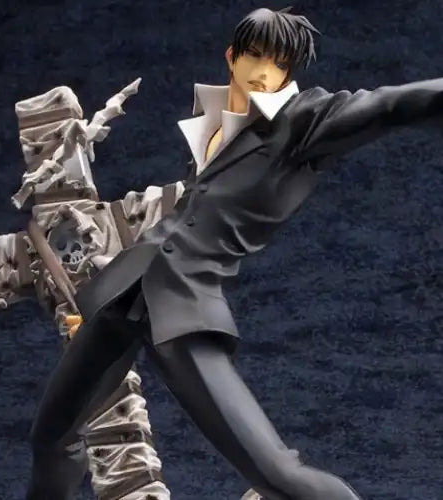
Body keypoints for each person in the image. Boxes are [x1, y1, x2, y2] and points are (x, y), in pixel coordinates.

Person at [26, 6, 443, 500]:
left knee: (278, 473)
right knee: (51, 437)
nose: (265, 72)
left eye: (279, 64)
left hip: (184, 307)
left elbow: (390, 106)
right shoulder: (217, 119)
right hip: (125, 293)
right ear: (232, 56)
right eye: (256, 56)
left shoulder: (303, 122)